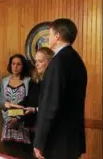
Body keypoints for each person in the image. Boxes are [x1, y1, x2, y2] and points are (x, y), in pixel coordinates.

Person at [33, 18, 87, 159]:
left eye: (49, 34)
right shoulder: (77, 60)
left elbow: (50, 104)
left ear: (57, 36)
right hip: (73, 140)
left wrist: (39, 141)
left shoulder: (57, 62)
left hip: (57, 141)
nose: (48, 38)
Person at [0, 54, 34, 159]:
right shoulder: (4, 81)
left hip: (23, 124)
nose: (15, 66)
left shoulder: (29, 81)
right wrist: (9, 119)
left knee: (23, 154)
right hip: (7, 124)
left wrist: (17, 118)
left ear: (23, 66)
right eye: (13, 64)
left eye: (18, 64)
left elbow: (29, 103)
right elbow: (1, 102)